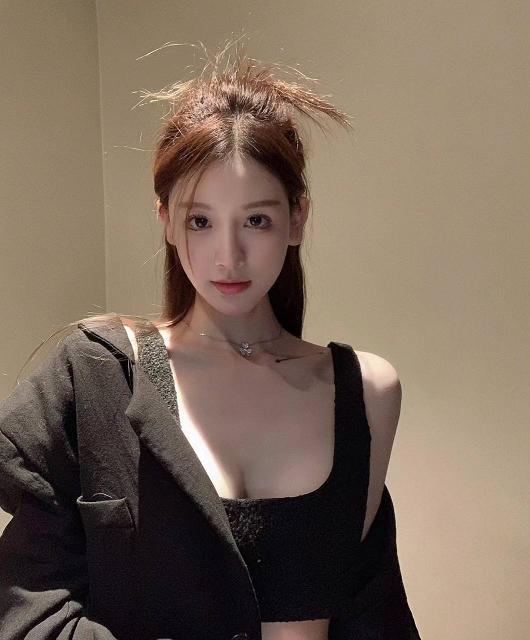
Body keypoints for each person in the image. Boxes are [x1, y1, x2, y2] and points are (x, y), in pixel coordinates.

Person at [0, 43, 421, 640]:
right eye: (200, 220)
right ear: (167, 221)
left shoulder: (367, 391)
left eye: (257, 220)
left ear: (297, 218)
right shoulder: (95, 374)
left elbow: (369, 610)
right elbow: (28, 610)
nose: (228, 256)